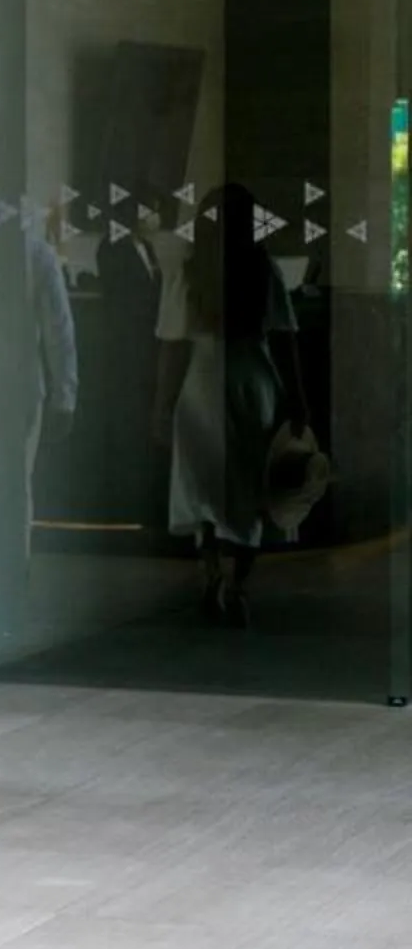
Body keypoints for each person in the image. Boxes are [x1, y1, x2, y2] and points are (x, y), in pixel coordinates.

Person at [153, 183, 297, 626]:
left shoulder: (189, 272)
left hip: (200, 381)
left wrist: (161, 405)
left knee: (204, 489)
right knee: (248, 489)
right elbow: (286, 339)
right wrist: (298, 403)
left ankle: (211, 572)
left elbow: (172, 346)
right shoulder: (263, 270)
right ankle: (239, 586)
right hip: (251, 382)